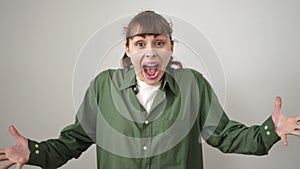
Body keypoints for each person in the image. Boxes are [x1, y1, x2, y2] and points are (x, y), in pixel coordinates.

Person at [0, 10, 299, 169]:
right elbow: (73, 142)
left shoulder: (193, 85)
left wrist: (270, 130)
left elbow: (227, 135)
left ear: (171, 49)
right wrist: (35, 152)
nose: (150, 52)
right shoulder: (104, 86)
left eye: (159, 43)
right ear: (128, 50)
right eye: (140, 44)